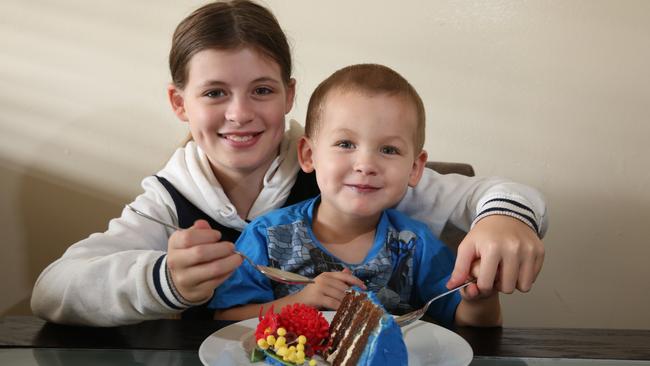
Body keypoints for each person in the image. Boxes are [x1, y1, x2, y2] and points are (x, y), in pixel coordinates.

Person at [31, 0, 544, 326]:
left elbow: (485, 196)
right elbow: (53, 290)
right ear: (180, 104)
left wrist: (504, 217)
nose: (240, 114)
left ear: (288, 95)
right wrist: (163, 278)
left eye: (261, 90)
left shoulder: (344, 173)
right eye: (214, 92)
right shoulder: (168, 202)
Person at [211, 64, 501, 326]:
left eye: (388, 150)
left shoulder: (416, 244)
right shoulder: (266, 236)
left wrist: (481, 298)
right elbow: (224, 318)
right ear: (309, 155)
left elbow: (469, 324)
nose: (365, 165)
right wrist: (298, 302)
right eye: (346, 143)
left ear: (414, 168)